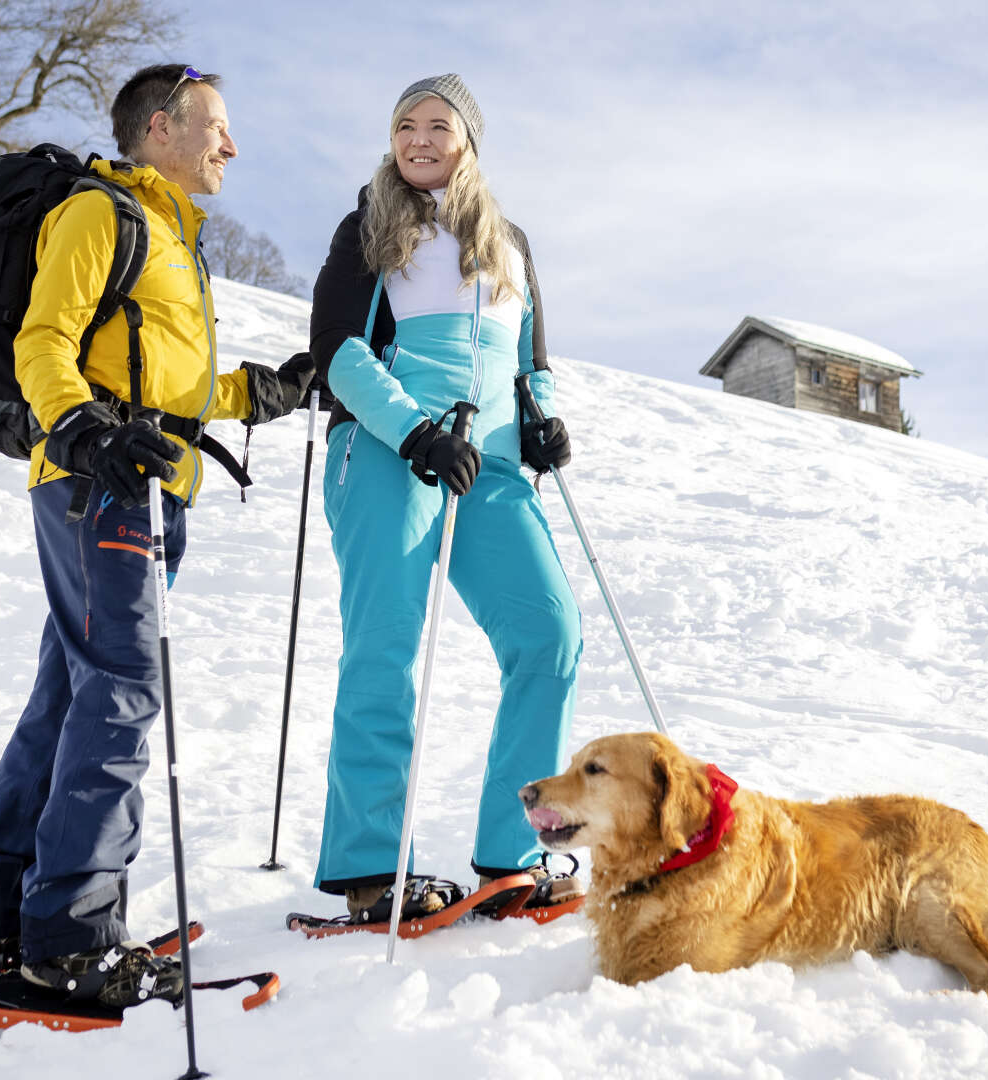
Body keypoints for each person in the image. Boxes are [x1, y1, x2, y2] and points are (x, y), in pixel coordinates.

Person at [0, 63, 311, 1006]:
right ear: (159, 128)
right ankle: (69, 937)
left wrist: (257, 392)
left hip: (145, 485)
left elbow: (161, 384)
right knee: (123, 690)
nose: (231, 145)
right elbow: (43, 342)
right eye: (216, 126)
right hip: (100, 488)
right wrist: (83, 430)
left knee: (72, 693)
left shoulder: (174, 239)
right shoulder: (103, 215)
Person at [308, 74, 583, 924]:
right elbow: (337, 353)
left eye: (438, 125)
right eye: (404, 125)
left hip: (490, 465)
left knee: (549, 635)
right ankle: (371, 867)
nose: (419, 140)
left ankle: (515, 849)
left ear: (470, 140)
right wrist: (415, 431)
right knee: (385, 647)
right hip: (393, 452)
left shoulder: (511, 243)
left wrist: (538, 416)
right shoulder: (369, 227)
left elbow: (529, 359)